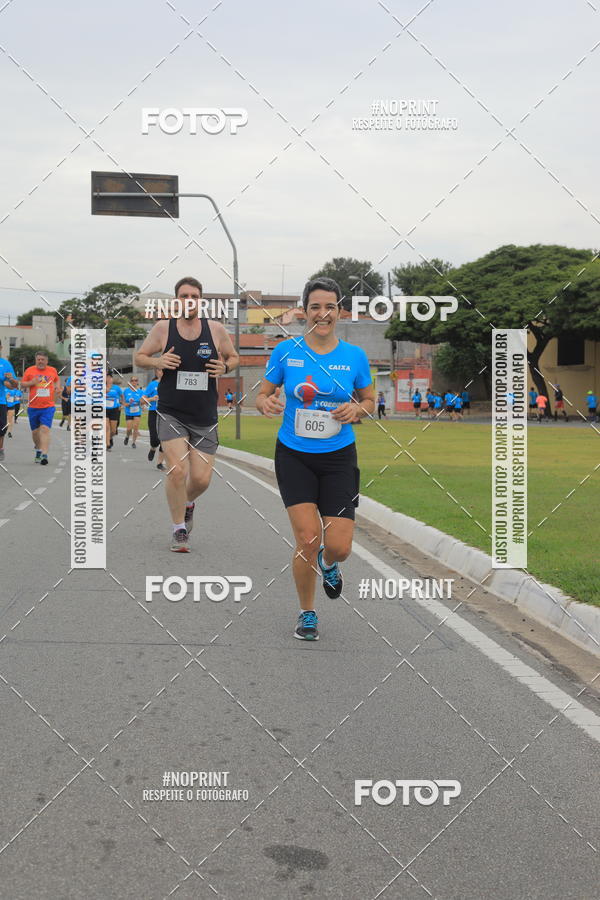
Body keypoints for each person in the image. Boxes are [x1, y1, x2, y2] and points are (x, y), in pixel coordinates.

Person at [256, 276, 375, 642]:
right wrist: (268, 404)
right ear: (303, 311)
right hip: (294, 455)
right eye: (314, 307)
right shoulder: (286, 351)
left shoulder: (354, 356)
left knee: (338, 546)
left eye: (329, 307)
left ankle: (328, 563)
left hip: (339, 457)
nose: (322, 314)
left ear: (340, 311)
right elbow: (262, 396)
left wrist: (356, 409)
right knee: (307, 538)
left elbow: (370, 403)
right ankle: (307, 612)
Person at [134, 275, 239, 552]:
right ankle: (179, 529)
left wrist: (225, 368)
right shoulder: (163, 328)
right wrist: (158, 360)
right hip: (171, 412)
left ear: (200, 300)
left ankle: (187, 503)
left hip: (204, 415)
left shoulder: (216, 329)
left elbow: (234, 357)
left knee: (202, 479)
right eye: (184, 296)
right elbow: (140, 357)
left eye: (194, 296)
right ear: (176, 300)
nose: (189, 300)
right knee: (178, 470)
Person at [21, 350, 60, 465]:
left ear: (47, 361)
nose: (40, 362)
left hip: (48, 406)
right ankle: (38, 448)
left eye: (43, 360)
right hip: (33, 406)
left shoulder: (52, 370)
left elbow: (56, 380)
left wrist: (57, 388)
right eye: (38, 359)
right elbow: (22, 384)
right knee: (35, 432)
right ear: (36, 360)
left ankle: (44, 454)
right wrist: (32, 382)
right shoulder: (30, 370)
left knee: (45, 429)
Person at [143, 370, 165, 469]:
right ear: (157, 372)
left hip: (167, 414)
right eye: (160, 370)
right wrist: (152, 399)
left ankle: (160, 463)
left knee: (165, 438)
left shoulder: (170, 384)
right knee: (155, 438)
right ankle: (153, 448)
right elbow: (142, 400)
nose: (163, 372)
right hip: (154, 412)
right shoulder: (152, 384)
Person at [0, 342, 19, 461]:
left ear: (1, 347)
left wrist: (11, 379)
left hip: (0, 401)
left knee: (1, 429)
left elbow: (14, 385)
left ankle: (0, 450)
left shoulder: (5, 364)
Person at [123, 376, 143, 448]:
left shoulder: (140, 391)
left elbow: (142, 402)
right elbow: (123, 402)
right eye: (132, 380)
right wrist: (127, 404)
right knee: (129, 428)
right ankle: (127, 436)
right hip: (128, 412)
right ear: (130, 382)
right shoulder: (126, 391)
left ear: (137, 382)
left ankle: (134, 442)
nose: (134, 382)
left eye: (136, 380)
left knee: (135, 427)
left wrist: (142, 404)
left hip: (137, 412)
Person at [105, 372, 122, 450]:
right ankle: (107, 444)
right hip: (104, 409)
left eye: (110, 377)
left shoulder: (116, 388)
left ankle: (110, 438)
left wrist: (122, 405)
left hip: (114, 409)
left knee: (113, 430)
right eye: (107, 377)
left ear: (112, 379)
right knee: (107, 427)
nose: (108, 379)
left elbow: (122, 396)